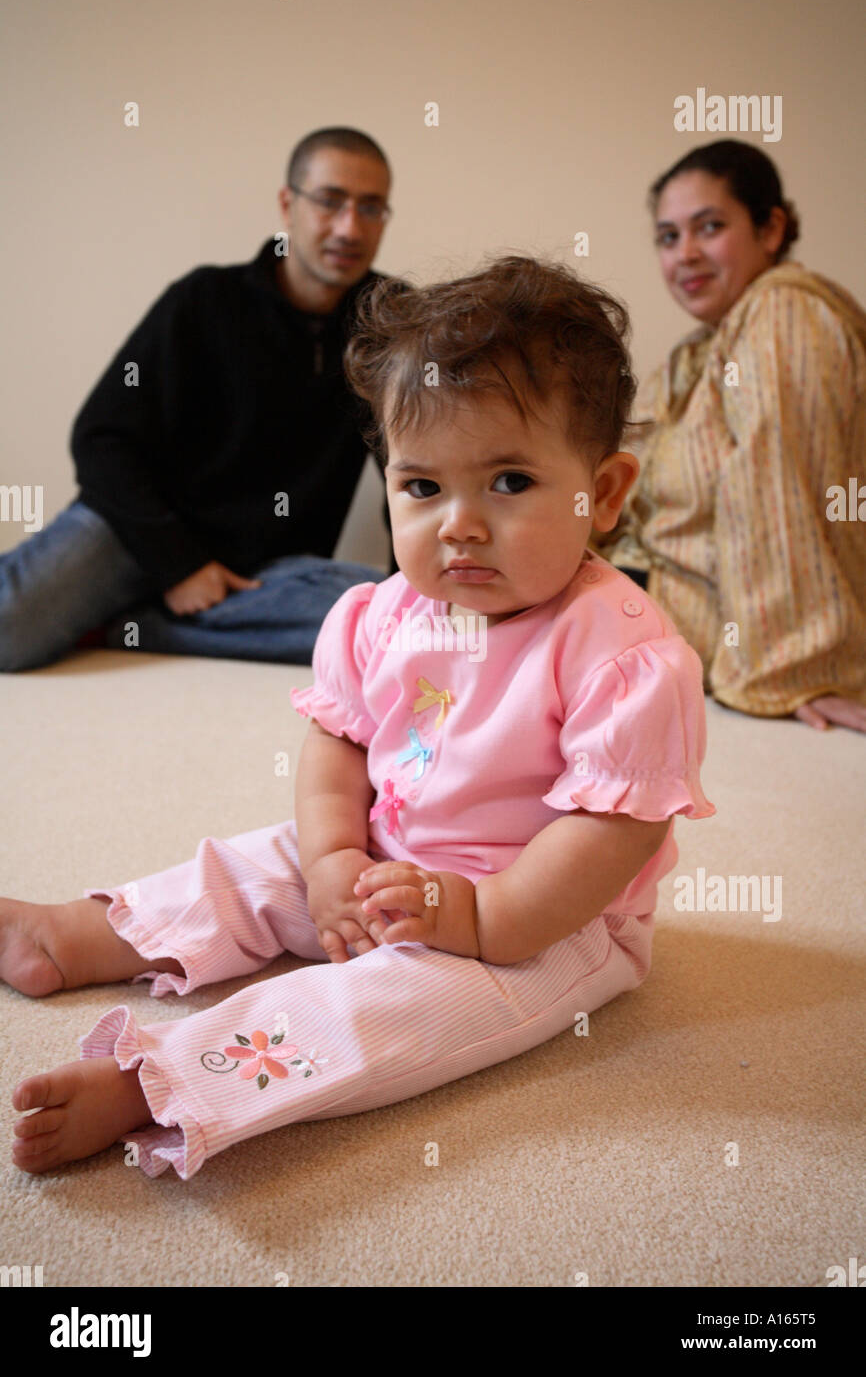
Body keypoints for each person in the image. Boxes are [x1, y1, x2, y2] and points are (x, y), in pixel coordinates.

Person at [6, 256, 715, 1179]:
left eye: (507, 482)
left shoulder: (621, 654)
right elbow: (338, 743)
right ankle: (82, 933)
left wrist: (478, 914)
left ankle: (162, 1083)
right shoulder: (385, 614)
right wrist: (337, 855)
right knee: (256, 867)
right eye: (422, 488)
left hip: (547, 920)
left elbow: (612, 832)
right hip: (386, 851)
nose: (457, 524)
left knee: (391, 1009)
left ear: (605, 493)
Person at [0, 127, 399, 672]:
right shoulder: (204, 300)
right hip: (137, 532)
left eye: (371, 208)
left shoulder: (390, 320)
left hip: (265, 571)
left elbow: (415, 459)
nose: (349, 227)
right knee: (7, 630)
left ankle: (131, 624)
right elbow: (101, 437)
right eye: (330, 201)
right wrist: (179, 563)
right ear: (289, 204)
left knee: (391, 626)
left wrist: (416, 586)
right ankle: (146, 607)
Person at [595, 140, 866, 733]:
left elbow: (779, 492)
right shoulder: (700, 352)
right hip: (646, 599)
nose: (685, 254)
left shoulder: (784, 315)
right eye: (668, 237)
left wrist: (797, 667)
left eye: (709, 227)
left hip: (700, 624)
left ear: (772, 229)